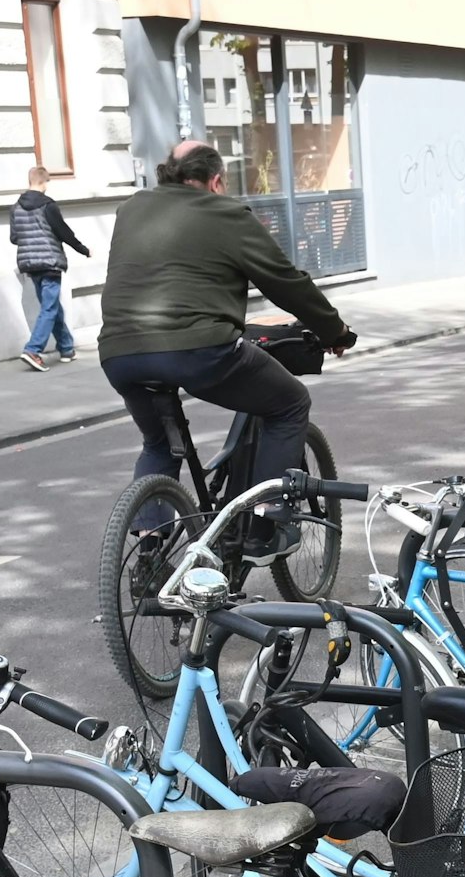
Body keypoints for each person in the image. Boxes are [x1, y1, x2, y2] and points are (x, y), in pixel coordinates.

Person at [98, 141, 356, 563]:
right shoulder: (226, 213)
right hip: (197, 349)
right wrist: (335, 331)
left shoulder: (131, 209)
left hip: (119, 352)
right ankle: (264, 527)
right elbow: (285, 282)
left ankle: (149, 551)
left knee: (158, 444)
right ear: (216, 180)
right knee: (290, 404)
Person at [10, 166, 91, 371]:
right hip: (50, 262)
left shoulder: (16, 208)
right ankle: (33, 350)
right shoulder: (48, 205)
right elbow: (64, 233)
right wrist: (83, 249)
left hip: (30, 264)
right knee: (49, 308)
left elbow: (14, 238)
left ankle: (66, 348)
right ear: (43, 182)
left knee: (52, 306)